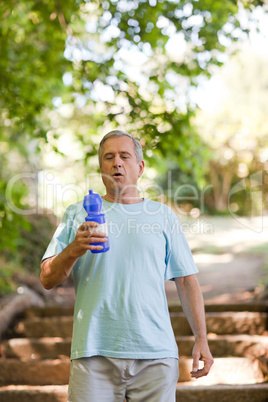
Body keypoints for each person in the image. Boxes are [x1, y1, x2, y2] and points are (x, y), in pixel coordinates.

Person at [40, 130, 214, 402]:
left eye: (124, 156)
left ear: (140, 167)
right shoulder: (78, 213)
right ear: (101, 168)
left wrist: (201, 338)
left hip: (155, 355)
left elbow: (186, 281)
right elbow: (47, 278)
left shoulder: (162, 216)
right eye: (108, 157)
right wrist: (74, 248)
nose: (116, 163)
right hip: (93, 353)